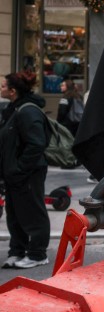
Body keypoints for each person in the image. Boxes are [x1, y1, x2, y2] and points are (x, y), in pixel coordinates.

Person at [0, 71, 51, 269]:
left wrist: (20, 169)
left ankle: (38, 254)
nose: (1, 89)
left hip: (29, 173)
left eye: (4, 86)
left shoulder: (28, 112)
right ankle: (17, 251)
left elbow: (36, 144)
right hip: (14, 174)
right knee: (15, 214)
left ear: (13, 91)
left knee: (34, 213)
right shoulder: (13, 109)